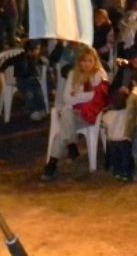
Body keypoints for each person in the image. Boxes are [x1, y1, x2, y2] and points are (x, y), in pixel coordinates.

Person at [42, 47, 110, 181]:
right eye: (83, 61)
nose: (86, 64)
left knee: (64, 125)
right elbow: (67, 98)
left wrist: (78, 95)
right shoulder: (73, 74)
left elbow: (96, 97)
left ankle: (54, 161)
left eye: (90, 61)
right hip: (73, 113)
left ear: (95, 61)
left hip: (89, 114)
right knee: (67, 115)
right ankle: (66, 150)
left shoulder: (99, 74)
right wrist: (84, 96)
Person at [0, 40, 48, 121]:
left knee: (39, 92)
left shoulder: (34, 58)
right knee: (29, 93)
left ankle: (41, 109)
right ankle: (32, 111)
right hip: (22, 80)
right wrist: (2, 71)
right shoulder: (19, 57)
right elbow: (7, 62)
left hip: (33, 79)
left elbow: (41, 63)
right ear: (30, 50)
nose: (39, 51)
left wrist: (43, 62)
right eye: (37, 49)